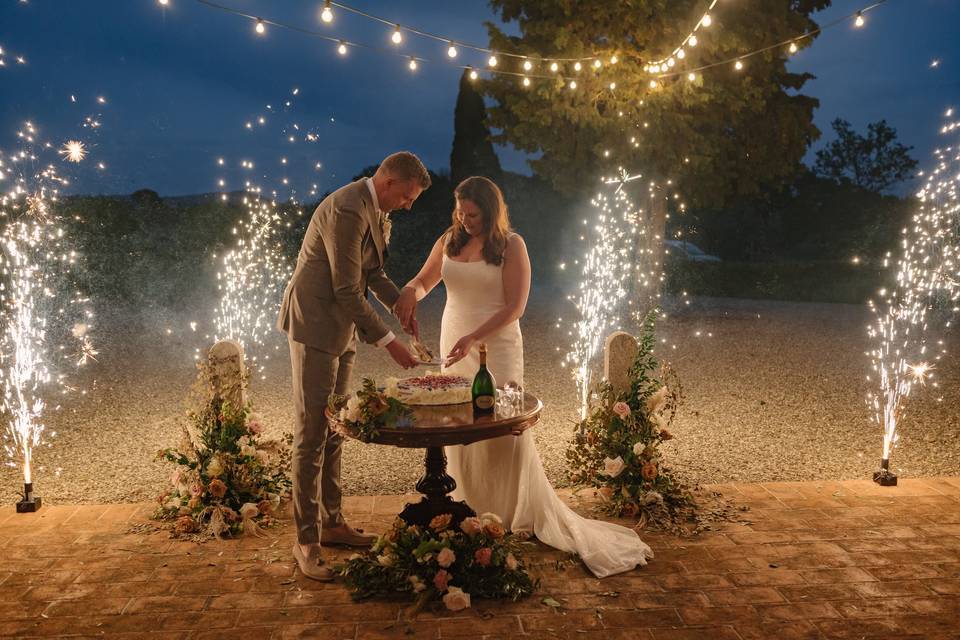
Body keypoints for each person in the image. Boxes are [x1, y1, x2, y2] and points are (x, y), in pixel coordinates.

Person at [393, 176, 653, 578]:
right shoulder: (450, 238)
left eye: (473, 214)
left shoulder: (511, 245)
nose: (465, 220)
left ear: (492, 211)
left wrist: (474, 337)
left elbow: (515, 306)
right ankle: (465, 507)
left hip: (494, 345)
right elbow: (427, 280)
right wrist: (410, 290)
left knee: (497, 424)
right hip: (453, 341)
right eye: (460, 212)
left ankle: (507, 512)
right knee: (455, 422)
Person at [278, 151, 430, 581]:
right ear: (387, 181)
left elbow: (371, 273)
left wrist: (402, 302)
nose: (408, 205)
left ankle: (333, 524)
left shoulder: (373, 207)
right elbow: (346, 289)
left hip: (341, 327)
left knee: (336, 428)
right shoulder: (347, 209)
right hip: (316, 324)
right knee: (311, 433)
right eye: (406, 196)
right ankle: (305, 540)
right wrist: (390, 343)